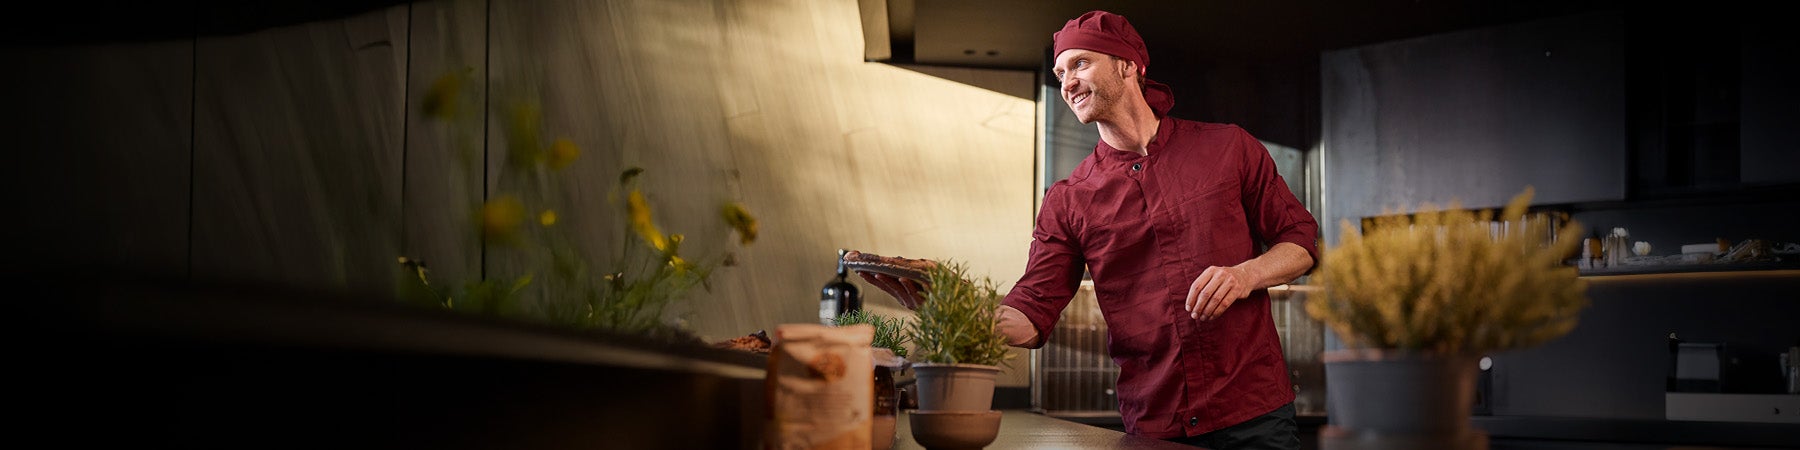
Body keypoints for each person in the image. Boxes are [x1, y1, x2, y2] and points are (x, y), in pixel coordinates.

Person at [859, 10, 1319, 450]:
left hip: (1254, 410)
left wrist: (1245, 275)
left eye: (1080, 63)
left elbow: (1300, 240)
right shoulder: (1068, 199)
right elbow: (1032, 313)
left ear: (1128, 65)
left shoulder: (1228, 148)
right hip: (1156, 423)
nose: (1068, 82)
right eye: (1059, 74)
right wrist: (952, 310)